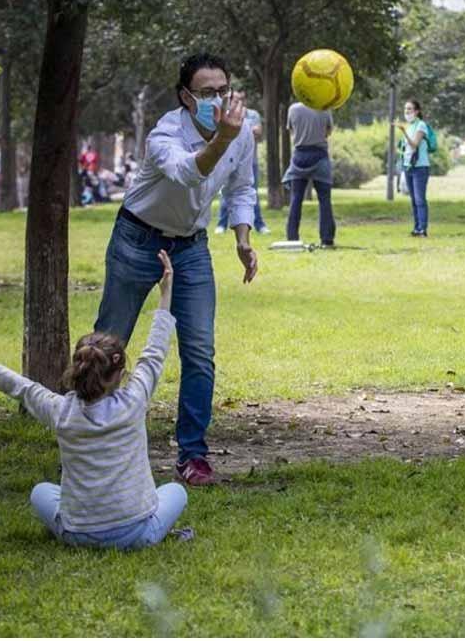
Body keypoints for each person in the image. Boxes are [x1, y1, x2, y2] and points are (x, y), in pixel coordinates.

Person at [94, 51, 256, 487]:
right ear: (186, 96)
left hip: (191, 248)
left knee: (200, 352)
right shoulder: (165, 134)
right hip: (137, 240)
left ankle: (193, 454)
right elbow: (189, 174)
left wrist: (242, 238)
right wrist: (223, 138)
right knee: (109, 346)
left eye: (223, 90)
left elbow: (242, 187)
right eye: (207, 92)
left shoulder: (241, 133)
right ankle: (94, 442)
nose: (218, 98)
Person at [0, 251, 190, 550]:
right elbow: (154, 353)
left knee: (41, 491)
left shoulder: (61, 410)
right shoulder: (133, 402)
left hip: (77, 533)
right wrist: (166, 291)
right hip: (138, 534)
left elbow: (22, 387)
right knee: (175, 491)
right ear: (120, 375)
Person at [284, 101, 336, 246]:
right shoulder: (324, 108)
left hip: (299, 155)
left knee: (296, 199)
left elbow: (291, 131)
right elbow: (328, 132)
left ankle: (292, 237)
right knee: (324, 199)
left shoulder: (293, 109)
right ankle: (327, 239)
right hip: (320, 155)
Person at [216, 92, 266, 237]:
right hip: (228, 160)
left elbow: (257, 132)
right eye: (235, 99)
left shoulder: (253, 114)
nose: (238, 102)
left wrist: (238, 129)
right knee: (225, 194)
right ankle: (221, 224)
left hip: (250, 161)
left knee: (249, 194)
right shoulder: (223, 114)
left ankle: (258, 224)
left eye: (241, 99)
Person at [396, 99, 432, 237]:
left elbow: (414, 144)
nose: (407, 112)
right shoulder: (410, 126)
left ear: (417, 111)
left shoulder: (421, 125)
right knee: (413, 200)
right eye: (405, 109)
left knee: (419, 199)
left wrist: (404, 132)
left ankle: (423, 228)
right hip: (408, 167)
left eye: (410, 109)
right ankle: (417, 228)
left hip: (420, 167)